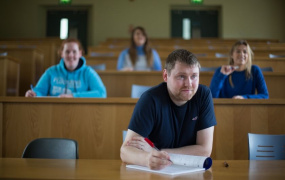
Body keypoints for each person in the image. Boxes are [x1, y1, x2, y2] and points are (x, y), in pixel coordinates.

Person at [120, 49, 217, 170]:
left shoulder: (203, 95)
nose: (189, 84)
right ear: (166, 76)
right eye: (181, 76)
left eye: (194, 76)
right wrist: (147, 158)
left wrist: (156, 151)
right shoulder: (150, 100)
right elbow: (125, 151)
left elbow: (205, 150)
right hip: (157, 172)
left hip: (191, 172)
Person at [25, 38, 107, 98]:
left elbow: (102, 94)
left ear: (80, 54)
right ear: (62, 54)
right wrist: (33, 94)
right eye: (67, 52)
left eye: (74, 52)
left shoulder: (88, 72)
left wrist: (73, 96)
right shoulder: (51, 72)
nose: (71, 55)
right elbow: (39, 91)